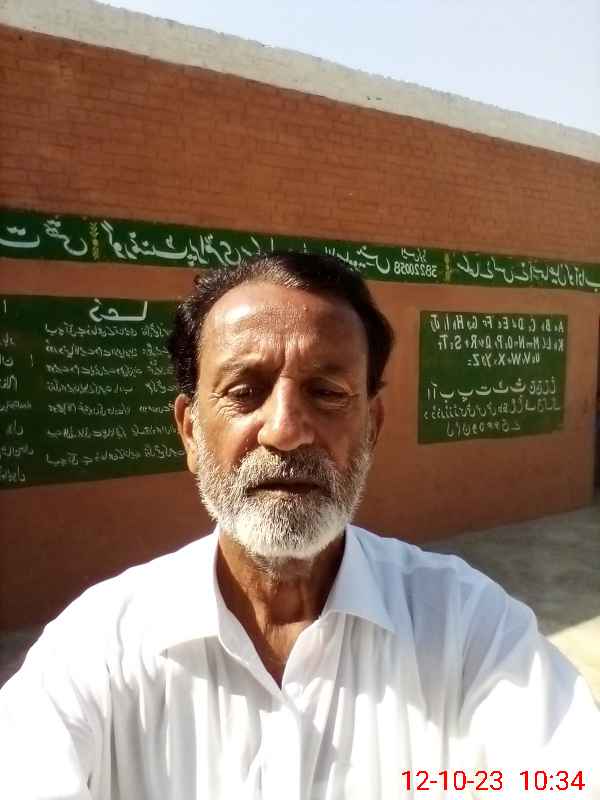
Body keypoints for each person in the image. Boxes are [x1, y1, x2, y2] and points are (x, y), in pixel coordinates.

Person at [0, 251, 598, 799]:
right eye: (245, 391)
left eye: (327, 392)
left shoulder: (468, 628)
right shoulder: (98, 650)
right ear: (190, 431)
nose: (286, 431)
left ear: (371, 428)